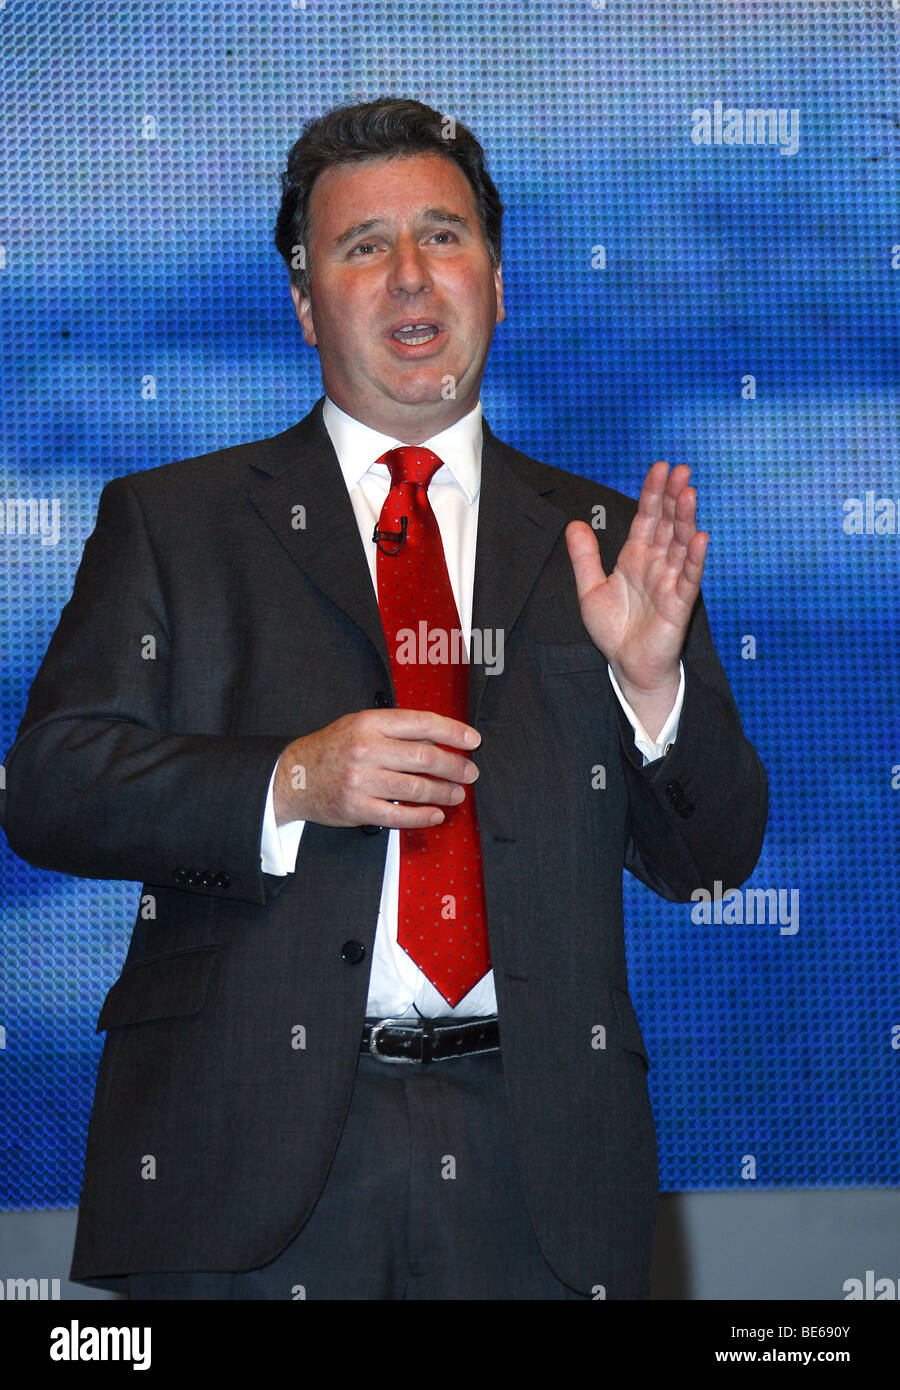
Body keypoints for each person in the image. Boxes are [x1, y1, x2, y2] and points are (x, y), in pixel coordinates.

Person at [0, 97, 767, 1300]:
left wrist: (651, 684)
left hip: (542, 1170)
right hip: (243, 1157)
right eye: (363, 246)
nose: (412, 276)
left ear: (498, 285)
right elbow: (49, 785)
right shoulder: (174, 523)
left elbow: (710, 859)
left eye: (445, 237)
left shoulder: (605, 540)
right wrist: (289, 780)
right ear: (306, 304)